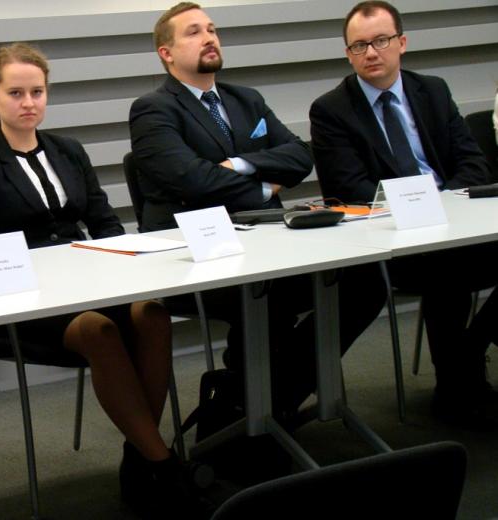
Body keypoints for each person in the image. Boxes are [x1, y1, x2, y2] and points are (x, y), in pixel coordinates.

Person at [0, 43, 208, 518]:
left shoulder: (68, 151)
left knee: (152, 314)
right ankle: (165, 465)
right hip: (21, 299)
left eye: (37, 92)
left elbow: (104, 221)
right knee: (99, 330)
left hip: (86, 284)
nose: (28, 102)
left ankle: (140, 456)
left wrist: (124, 263)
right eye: (15, 93)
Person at [129, 2, 386, 422]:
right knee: (271, 298)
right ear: (166, 53)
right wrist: (264, 186)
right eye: (193, 32)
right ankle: (256, 412)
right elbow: (192, 180)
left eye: (212, 29)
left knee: (365, 280)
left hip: (267, 241)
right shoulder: (153, 109)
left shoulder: (246, 100)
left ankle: (266, 402)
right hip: (197, 256)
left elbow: (300, 156)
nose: (209, 38)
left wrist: (241, 164)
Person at [310, 1, 498, 429]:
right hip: (393, 239)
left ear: (402, 43)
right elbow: (348, 190)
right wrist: (418, 208)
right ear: (348, 54)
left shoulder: (431, 90)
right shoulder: (332, 110)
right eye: (359, 46)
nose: (371, 52)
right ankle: (457, 383)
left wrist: (444, 205)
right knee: (448, 272)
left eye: (380, 40)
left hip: (454, 222)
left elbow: (473, 163)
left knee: (461, 260)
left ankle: (467, 354)